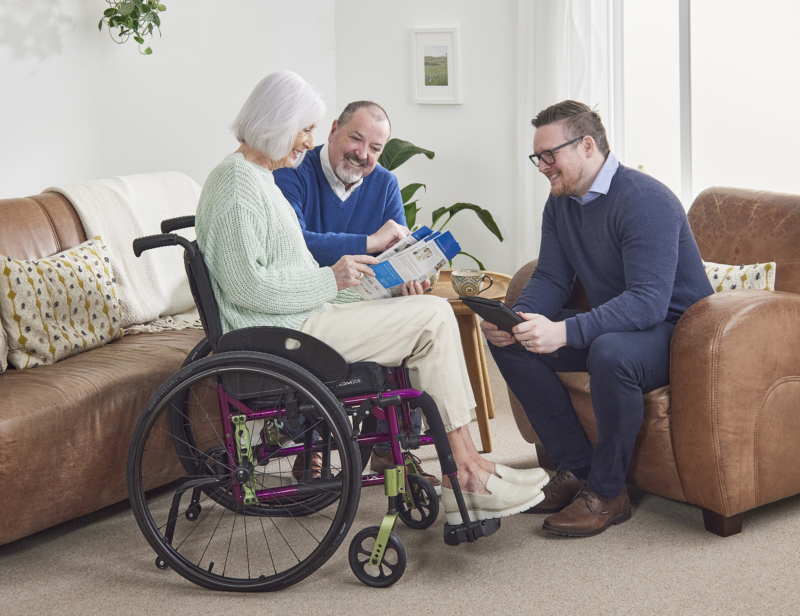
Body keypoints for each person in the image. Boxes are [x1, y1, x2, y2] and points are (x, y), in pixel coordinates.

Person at [194, 71, 550, 524]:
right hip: (281, 334)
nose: (306, 142)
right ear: (276, 122)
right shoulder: (238, 184)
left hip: (299, 320)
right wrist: (333, 280)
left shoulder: (258, 178)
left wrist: (368, 287)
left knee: (427, 312)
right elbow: (249, 287)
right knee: (433, 318)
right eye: (304, 129)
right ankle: (466, 473)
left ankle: (469, 468)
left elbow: (285, 273)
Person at [484, 100, 713, 537]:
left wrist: (565, 330)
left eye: (550, 155)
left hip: (680, 333)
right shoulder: (562, 204)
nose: (542, 167)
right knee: (513, 343)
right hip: (625, 325)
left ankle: (609, 494)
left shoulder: (646, 200)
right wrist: (515, 318)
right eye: (538, 157)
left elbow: (648, 302)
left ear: (587, 145)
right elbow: (552, 276)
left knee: (610, 353)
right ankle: (579, 471)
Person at [274, 100, 435, 488]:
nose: (363, 155)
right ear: (333, 130)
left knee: (414, 310)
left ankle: (391, 447)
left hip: (363, 295)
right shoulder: (293, 171)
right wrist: (370, 240)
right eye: (356, 139)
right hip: (309, 296)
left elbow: (396, 251)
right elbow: (293, 244)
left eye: (375, 149)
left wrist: (412, 276)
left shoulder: (384, 184)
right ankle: (308, 447)